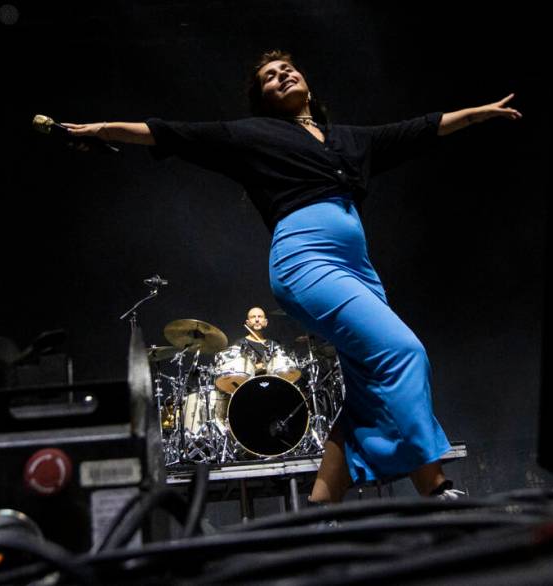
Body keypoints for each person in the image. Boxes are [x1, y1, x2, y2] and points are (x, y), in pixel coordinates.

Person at [62, 50, 521, 501]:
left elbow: (418, 130)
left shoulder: (346, 139)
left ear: (306, 82)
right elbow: (173, 133)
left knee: (365, 391)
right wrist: (102, 129)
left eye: (287, 69)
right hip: (306, 260)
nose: (280, 76)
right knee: (404, 353)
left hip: (359, 268)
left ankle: (321, 508)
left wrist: (477, 115)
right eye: (268, 77)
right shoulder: (253, 135)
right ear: (263, 98)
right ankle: (433, 486)